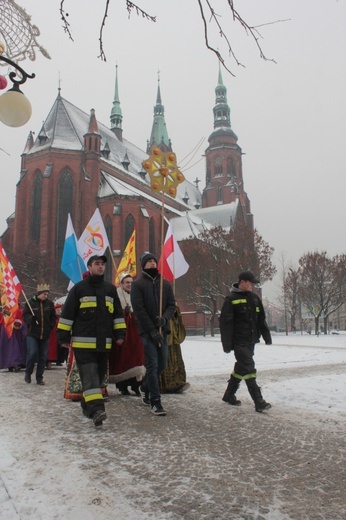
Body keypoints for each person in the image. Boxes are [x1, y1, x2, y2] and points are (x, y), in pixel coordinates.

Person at [57, 254, 126, 427]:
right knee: (91, 378)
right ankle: (97, 410)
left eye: (102, 264)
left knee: (99, 376)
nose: (100, 267)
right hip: (82, 344)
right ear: (89, 267)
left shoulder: (110, 289)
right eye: (97, 264)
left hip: (104, 344)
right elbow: (67, 315)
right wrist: (63, 336)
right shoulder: (79, 289)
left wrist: (120, 334)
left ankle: (86, 406)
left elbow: (117, 314)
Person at [219, 270, 272, 412]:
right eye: (250, 283)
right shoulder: (231, 299)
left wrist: (266, 336)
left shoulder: (254, 298)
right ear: (242, 282)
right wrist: (227, 344)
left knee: (241, 368)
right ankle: (258, 401)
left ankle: (229, 395)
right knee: (249, 368)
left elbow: (261, 319)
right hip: (239, 341)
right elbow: (225, 324)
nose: (252, 285)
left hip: (251, 341)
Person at [131, 252, 176, 416]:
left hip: (162, 330)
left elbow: (172, 305)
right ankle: (155, 402)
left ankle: (145, 387)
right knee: (153, 364)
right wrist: (151, 330)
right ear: (143, 265)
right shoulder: (138, 284)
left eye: (154, 261)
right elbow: (139, 310)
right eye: (148, 261)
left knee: (162, 364)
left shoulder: (166, 284)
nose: (152, 263)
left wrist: (164, 319)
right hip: (146, 332)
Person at [109, 273, 146, 396]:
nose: (130, 284)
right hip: (124, 333)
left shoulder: (137, 295)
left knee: (137, 359)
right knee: (124, 359)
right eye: (127, 282)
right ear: (121, 284)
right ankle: (123, 386)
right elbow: (114, 315)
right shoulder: (117, 297)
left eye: (131, 282)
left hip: (136, 334)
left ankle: (136, 385)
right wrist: (125, 313)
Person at [23, 284, 56, 385]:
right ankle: (28, 372)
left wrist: (51, 326)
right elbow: (25, 315)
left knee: (43, 356)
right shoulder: (30, 303)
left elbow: (53, 317)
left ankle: (39, 377)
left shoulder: (49, 304)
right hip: (33, 333)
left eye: (47, 294)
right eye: (44, 294)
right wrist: (30, 319)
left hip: (45, 334)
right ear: (39, 294)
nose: (46, 296)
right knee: (32, 353)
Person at [159, 304, 189, 393]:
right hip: (163, 335)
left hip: (172, 336)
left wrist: (175, 311)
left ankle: (177, 382)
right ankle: (164, 384)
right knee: (163, 361)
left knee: (175, 360)